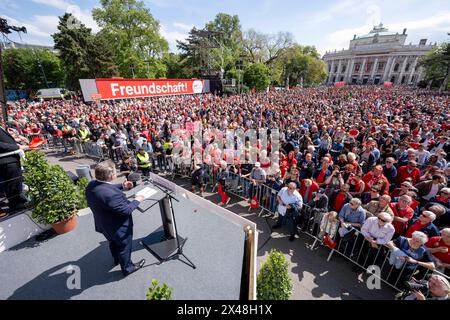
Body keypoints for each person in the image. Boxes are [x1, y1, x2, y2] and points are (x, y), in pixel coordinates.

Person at [85, 160, 146, 276]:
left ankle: (116, 259)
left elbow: (105, 188)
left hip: (103, 224)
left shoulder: (91, 185)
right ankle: (128, 268)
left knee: (112, 242)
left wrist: (122, 186)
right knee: (124, 246)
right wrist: (138, 200)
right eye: (114, 171)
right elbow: (126, 210)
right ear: (112, 175)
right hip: (118, 227)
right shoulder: (111, 195)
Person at [0, 125, 30, 215]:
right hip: (6, 162)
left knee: (16, 189)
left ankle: (19, 207)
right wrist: (17, 147)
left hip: (10, 160)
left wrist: (16, 144)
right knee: (14, 191)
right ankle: (19, 211)